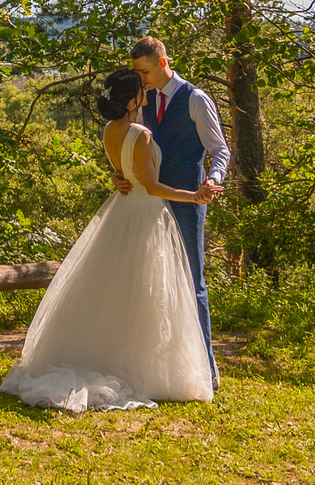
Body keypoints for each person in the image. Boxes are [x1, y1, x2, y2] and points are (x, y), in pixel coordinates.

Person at [0, 65, 216, 412]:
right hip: (144, 212)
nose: (145, 90)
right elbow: (152, 185)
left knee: (118, 288)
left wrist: (119, 176)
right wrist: (195, 196)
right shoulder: (141, 135)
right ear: (133, 100)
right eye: (140, 89)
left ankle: (116, 356)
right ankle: (147, 367)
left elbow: (121, 170)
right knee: (147, 290)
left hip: (121, 209)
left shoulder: (109, 130)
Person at [114, 36, 226, 383]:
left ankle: (205, 370)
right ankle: (160, 368)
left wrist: (213, 180)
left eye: (144, 71)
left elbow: (219, 149)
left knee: (193, 282)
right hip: (146, 203)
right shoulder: (140, 103)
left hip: (187, 201)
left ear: (162, 63)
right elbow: (132, 147)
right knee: (149, 282)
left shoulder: (195, 99)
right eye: (136, 72)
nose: (140, 79)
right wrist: (120, 174)